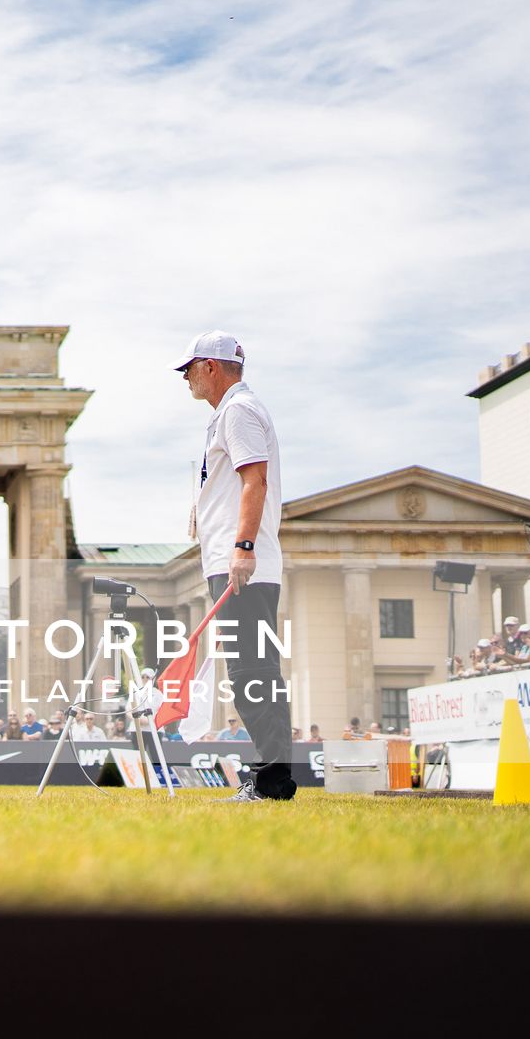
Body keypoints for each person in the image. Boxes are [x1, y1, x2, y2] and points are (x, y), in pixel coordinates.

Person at [175, 331, 295, 802]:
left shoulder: (239, 410)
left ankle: (272, 782)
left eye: (190, 368)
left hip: (244, 562)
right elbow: (232, 480)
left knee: (252, 674)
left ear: (212, 367)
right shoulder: (228, 413)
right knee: (252, 672)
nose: (185, 377)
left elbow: (255, 479)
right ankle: (272, 779)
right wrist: (202, 511)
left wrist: (243, 545)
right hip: (232, 559)